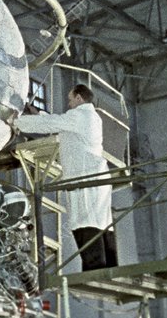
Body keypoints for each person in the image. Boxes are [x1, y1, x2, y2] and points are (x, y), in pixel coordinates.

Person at [15, 84, 117, 271]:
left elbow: (54, 124)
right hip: (93, 175)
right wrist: (38, 115)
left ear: (79, 98)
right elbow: (60, 123)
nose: (69, 104)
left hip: (84, 176)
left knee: (85, 220)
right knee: (101, 222)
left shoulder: (80, 115)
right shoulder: (89, 117)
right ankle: (110, 267)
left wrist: (16, 121)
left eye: (70, 99)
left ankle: (94, 270)